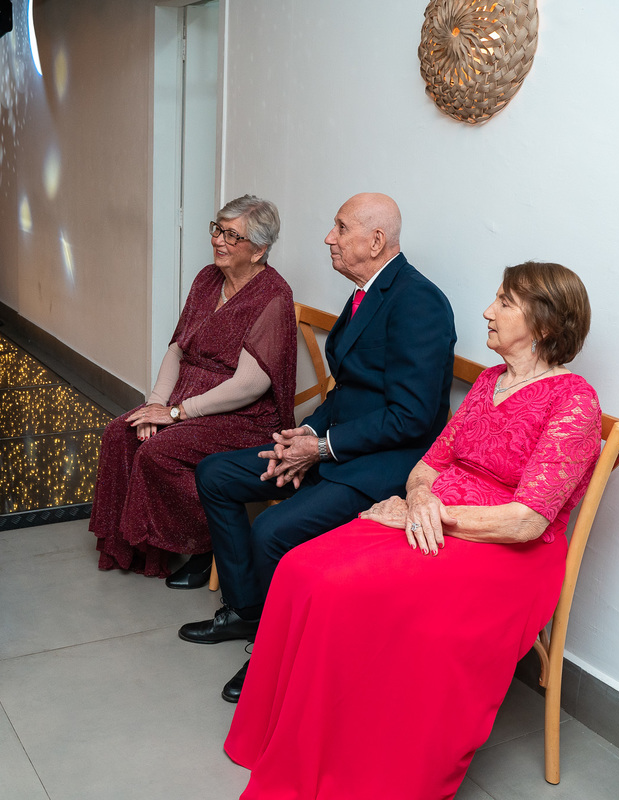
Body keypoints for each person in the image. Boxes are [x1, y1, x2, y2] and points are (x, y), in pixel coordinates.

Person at [224, 262, 602, 799]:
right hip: (434, 517)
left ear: (542, 323)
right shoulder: (490, 381)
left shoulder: (574, 400)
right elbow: (429, 464)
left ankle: (361, 761)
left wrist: (431, 515)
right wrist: (420, 498)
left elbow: (528, 520)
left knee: (339, 591)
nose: (488, 312)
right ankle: (293, 738)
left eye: (504, 303)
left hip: (507, 552)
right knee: (299, 567)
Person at [182, 192, 456, 700]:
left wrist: (323, 447)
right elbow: (347, 391)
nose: (329, 238)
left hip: (377, 468)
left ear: (375, 241)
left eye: (341, 228)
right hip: (334, 449)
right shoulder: (366, 292)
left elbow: (412, 417)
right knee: (215, 475)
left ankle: (271, 655)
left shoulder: (419, 303)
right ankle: (248, 610)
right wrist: (306, 435)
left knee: (270, 531)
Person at [91, 196, 297, 586]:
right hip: (185, 399)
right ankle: (139, 547)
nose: (219, 241)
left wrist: (174, 414)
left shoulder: (273, 296)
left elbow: (250, 385)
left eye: (232, 235)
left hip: (243, 416)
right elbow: (177, 348)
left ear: (259, 250)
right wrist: (155, 404)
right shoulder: (207, 279)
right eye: (218, 229)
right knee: (121, 432)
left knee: (158, 452)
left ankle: (207, 546)